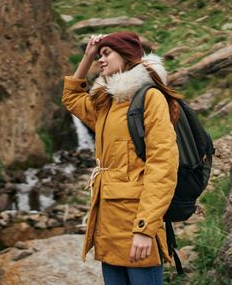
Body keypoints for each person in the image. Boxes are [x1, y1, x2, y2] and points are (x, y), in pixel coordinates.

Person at [62, 31, 180, 285]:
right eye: (99, 55)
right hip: (108, 225)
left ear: (126, 56)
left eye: (106, 54)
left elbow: (163, 166)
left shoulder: (150, 98)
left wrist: (145, 228)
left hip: (136, 224)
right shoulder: (107, 103)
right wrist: (88, 55)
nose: (100, 60)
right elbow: (71, 97)